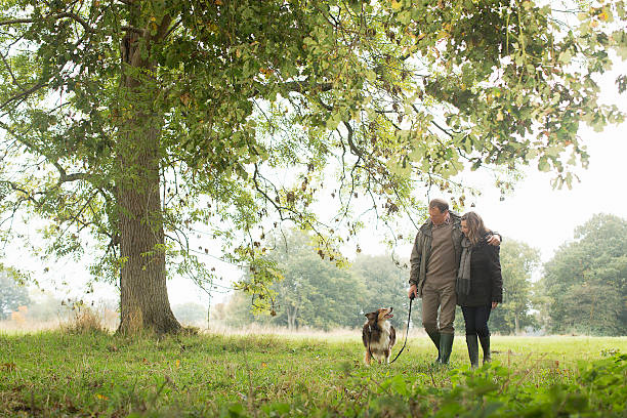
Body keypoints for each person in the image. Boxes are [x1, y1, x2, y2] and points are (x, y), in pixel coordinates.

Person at [408, 199, 500, 365]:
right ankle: (441, 350)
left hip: (450, 283)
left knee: (446, 324)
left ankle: (444, 359)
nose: (431, 218)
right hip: (428, 283)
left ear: (446, 213)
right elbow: (416, 257)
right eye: (430, 214)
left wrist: (497, 236)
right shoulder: (425, 230)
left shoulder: (459, 225)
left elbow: (479, 230)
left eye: (435, 215)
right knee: (427, 322)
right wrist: (413, 282)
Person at [456, 211, 503, 368]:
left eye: (465, 227)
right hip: (465, 290)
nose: (462, 230)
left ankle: (487, 355)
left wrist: (496, 295)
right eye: (461, 227)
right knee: (469, 326)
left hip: (484, 292)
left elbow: (496, 269)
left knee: (480, 325)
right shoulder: (462, 241)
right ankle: (474, 364)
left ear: (474, 227)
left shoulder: (488, 242)